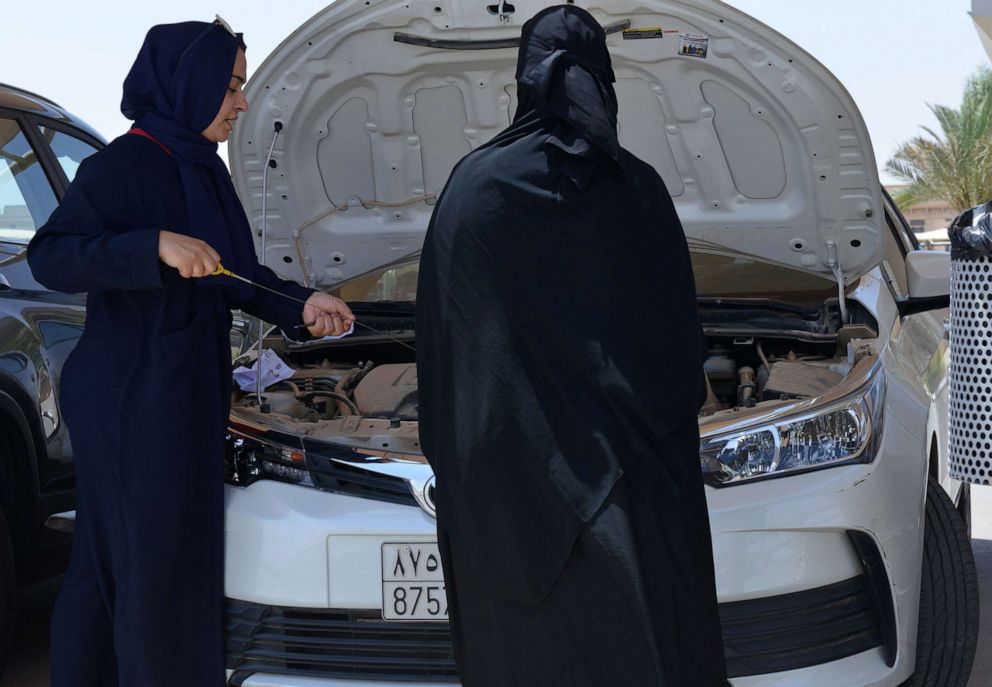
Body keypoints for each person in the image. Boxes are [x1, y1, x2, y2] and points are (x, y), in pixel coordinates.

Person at [26, 19, 354, 686]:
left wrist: (302, 306)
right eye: (231, 86)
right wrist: (152, 245)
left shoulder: (205, 169)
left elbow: (238, 275)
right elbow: (51, 256)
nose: (239, 102)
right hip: (130, 401)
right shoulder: (122, 163)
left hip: (184, 395)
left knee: (131, 563)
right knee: (147, 566)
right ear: (190, 82)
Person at [416, 5, 728, 686]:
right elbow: (677, 352)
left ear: (526, 78)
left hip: (507, 497)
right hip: (630, 489)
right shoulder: (639, 189)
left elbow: (447, 349)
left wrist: (462, 461)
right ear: (603, 81)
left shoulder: (475, 189)